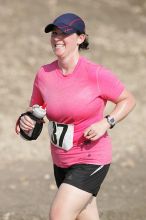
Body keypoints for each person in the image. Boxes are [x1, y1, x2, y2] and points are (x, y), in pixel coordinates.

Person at [15, 13, 136, 220]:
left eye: (64, 33)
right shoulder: (44, 74)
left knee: (59, 214)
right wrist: (25, 121)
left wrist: (106, 122)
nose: (57, 38)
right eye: (54, 33)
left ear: (81, 38)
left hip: (91, 158)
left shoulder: (95, 74)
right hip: (61, 160)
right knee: (85, 216)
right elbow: (36, 113)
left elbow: (128, 100)